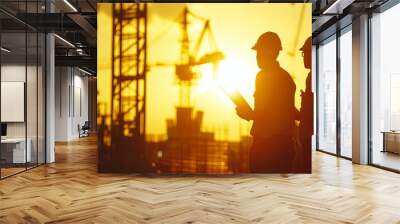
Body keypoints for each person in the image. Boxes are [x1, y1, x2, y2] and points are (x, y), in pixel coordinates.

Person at [236, 32, 297, 173]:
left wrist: (246, 114)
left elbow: (264, 114)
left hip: (267, 146)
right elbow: (286, 110)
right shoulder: (285, 77)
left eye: (258, 53)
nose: (256, 57)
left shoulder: (264, 76)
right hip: (284, 147)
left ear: (267, 52)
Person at [299, 37, 313, 173]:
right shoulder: (311, 76)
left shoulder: (312, 77)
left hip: (307, 134)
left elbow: (309, 111)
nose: (303, 57)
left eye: (305, 53)